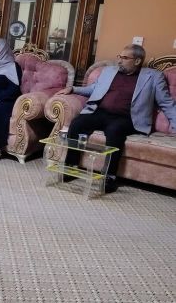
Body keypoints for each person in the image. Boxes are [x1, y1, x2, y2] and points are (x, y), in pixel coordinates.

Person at [56, 44, 176, 192]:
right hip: (101, 112)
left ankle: (109, 176)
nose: (119, 61)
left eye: (124, 58)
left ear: (137, 61)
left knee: (114, 130)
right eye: (119, 56)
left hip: (128, 118)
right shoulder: (109, 71)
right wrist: (73, 89)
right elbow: (93, 89)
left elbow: (166, 103)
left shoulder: (153, 76)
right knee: (77, 123)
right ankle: (71, 165)